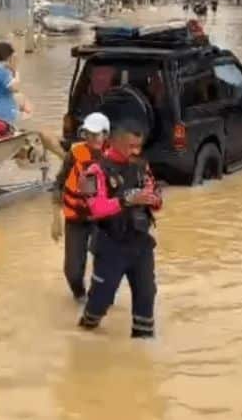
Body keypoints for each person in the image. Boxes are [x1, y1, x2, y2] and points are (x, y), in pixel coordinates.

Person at [78, 121, 162, 339]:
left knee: (146, 296)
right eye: (130, 146)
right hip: (110, 245)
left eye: (139, 146)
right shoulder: (92, 172)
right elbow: (96, 209)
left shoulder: (142, 167)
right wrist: (126, 200)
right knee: (100, 301)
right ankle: (86, 328)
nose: (136, 151)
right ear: (114, 143)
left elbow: (157, 200)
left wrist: (153, 199)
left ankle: (142, 358)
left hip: (140, 244)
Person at [52, 113, 110, 301]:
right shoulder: (75, 154)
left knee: (107, 261)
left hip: (103, 219)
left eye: (97, 134)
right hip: (76, 218)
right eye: (88, 134)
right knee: (73, 272)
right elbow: (59, 184)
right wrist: (55, 219)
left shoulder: (115, 157)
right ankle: (80, 297)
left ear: (106, 135)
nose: (92, 138)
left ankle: (101, 298)